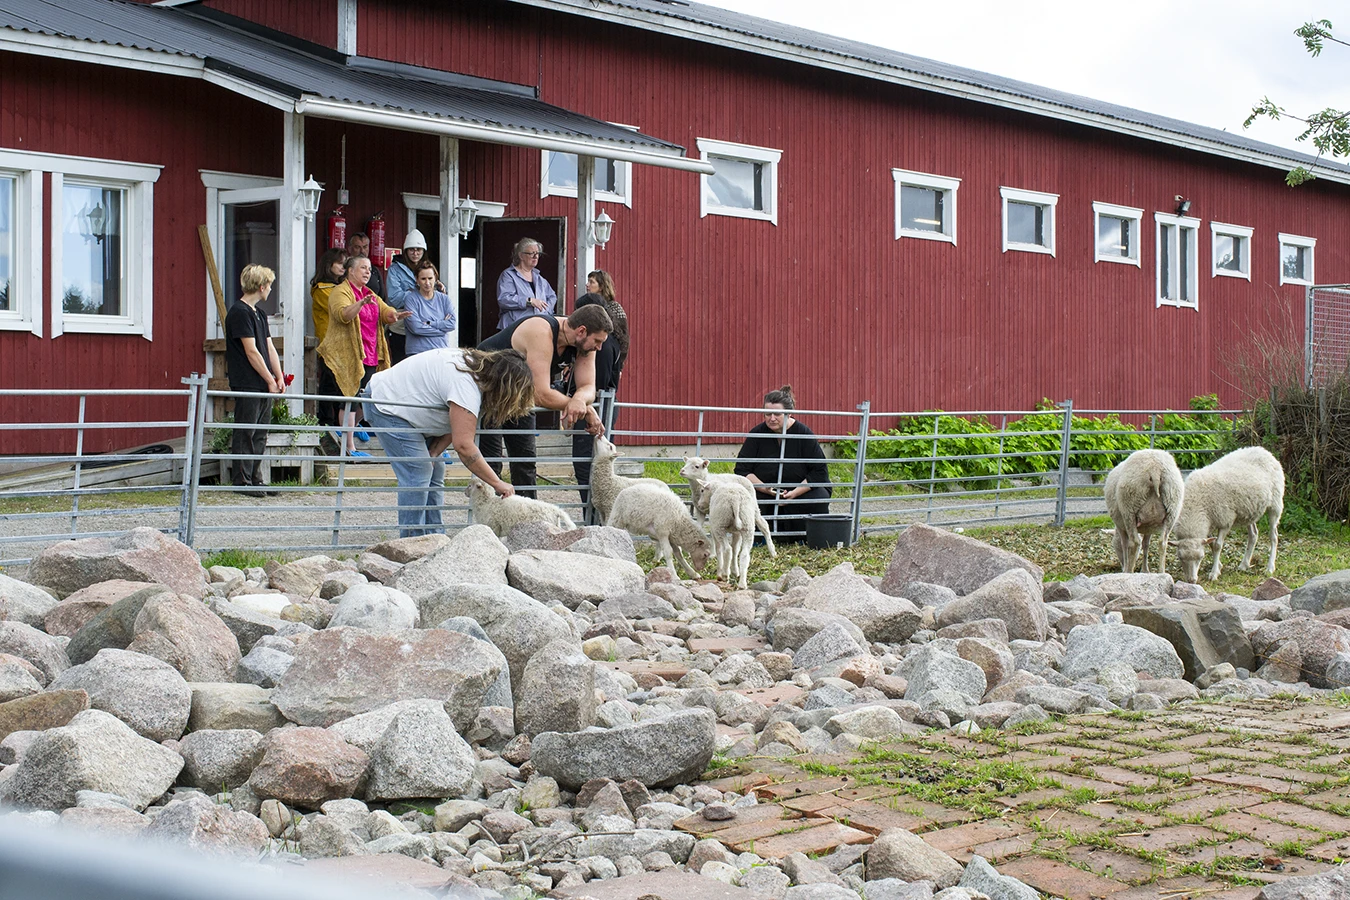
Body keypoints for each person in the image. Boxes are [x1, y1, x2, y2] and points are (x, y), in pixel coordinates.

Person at [361, 347, 534, 537]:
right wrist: (497, 483)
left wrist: (435, 452)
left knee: (436, 466)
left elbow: (458, 424)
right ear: (505, 385)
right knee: (418, 471)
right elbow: (464, 446)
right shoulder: (466, 385)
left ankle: (434, 536)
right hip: (386, 402)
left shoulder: (476, 376)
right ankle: (411, 541)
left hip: (412, 410)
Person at [477, 304, 610, 498]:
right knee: (491, 461)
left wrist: (580, 400)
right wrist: (585, 408)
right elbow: (540, 393)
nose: (599, 347)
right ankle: (489, 515)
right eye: (597, 341)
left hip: (519, 394)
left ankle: (528, 515)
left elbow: (589, 386)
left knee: (525, 461)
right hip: (488, 389)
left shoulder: (584, 345)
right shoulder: (541, 331)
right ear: (581, 331)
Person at [316, 255, 410, 456]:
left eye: (369, 269)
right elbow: (343, 315)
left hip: (370, 354)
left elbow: (385, 311)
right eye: (363, 268)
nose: (368, 272)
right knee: (349, 399)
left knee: (368, 398)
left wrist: (394, 314)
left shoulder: (370, 294)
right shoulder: (340, 291)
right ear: (350, 271)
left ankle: (350, 429)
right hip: (346, 356)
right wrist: (359, 304)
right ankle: (349, 446)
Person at [734, 385, 832, 542]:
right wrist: (767, 489)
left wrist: (794, 493)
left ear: (789, 413)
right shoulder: (757, 434)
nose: (772, 418)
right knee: (744, 495)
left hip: (798, 490)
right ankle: (760, 538)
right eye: (767, 414)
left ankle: (803, 537)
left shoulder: (804, 434)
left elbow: (819, 471)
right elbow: (742, 469)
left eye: (777, 414)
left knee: (819, 496)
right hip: (766, 490)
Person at [225, 265, 285, 497]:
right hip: (247, 381)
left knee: (260, 433)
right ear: (261, 286)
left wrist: (278, 376)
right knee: (246, 432)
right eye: (269, 285)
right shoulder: (239, 312)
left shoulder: (258, 313)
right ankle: (242, 481)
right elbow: (251, 351)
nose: (270, 289)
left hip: (262, 381)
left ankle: (255, 478)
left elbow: (269, 346)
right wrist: (269, 379)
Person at [571, 292, 623, 511]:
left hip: (596, 405)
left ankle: (592, 514)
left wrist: (580, 397)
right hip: (604, 403)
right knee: (595, 463)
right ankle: (595, 514)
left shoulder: (597, 345)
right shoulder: (614, 340)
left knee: (587, 464)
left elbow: (597, 380)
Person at [309, 248, 347, 454]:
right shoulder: (322, 289)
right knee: (329, 384)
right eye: (340, 263)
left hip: (342, 345)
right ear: (328, 265)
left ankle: (339, 423)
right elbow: (340, 307)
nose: (343, 267)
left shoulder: (338, 287)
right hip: (329, 344)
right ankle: (326, 423)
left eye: (345, 263)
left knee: (339, 384)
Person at [384, 229, 431, 364]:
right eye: (411, 250)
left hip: (422, 324)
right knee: (401, 364)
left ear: (424, 251)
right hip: (400, 326)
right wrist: (419, 293)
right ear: (405, 251)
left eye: (419, 250)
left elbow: (433, 295)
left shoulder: (427, 269)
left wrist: (438, 287)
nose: (415, 253)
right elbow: (394, 298)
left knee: (420, 365)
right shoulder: (395, 269)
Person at [495, 238, 556, 331]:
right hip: (514, 328)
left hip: (537, 328)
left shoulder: (539, 278)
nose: (536, 257)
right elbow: (504, 299)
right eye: (532, 253)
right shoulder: (508, 275)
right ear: (521, 255)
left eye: (538, 253)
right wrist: (529, 301)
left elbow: (552, 296)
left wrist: (545, 312)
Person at [399, 260, 456, 355]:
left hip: (441, 351)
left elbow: (452, 324)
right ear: (417, 280)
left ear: (435, 278)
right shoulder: (411, 299)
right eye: (423, 279)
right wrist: (442, 330)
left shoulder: (444, 299)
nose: (427, 282)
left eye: (430, 278)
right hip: (417, 353)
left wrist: (430, 323)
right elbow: (416, 328)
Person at [586, 269, 629, 387]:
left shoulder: (614, 308)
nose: (587, 285)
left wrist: (619, 365)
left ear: (601, 287)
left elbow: (624, 337)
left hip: (607, 357)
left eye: (591, 282)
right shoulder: (587, 306)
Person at [346, 232, 385, 299]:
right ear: (349, 249)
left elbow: (382, 296)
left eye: (365, 247)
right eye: (357, 247)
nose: (362, 251)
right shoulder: (344, 269)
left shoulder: (374, 270)